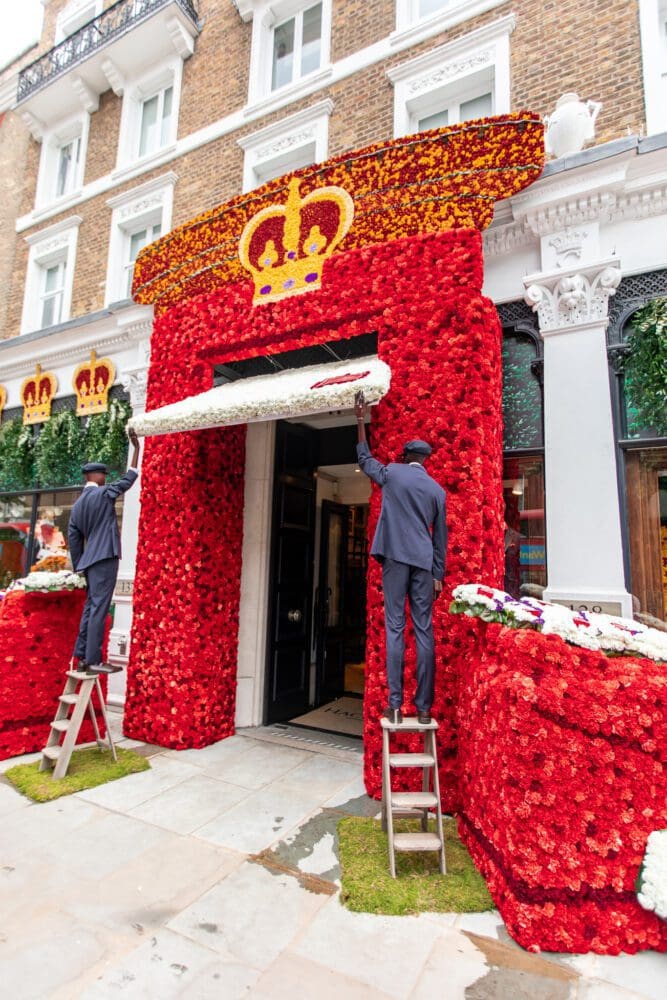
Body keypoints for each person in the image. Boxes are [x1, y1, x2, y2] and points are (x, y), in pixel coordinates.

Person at [355, 392, 447, 725]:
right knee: (424, 631)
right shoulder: (437, 491)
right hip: (424, 563)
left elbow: (364, 460)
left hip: (395, 558)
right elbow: (441, 539)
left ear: (406, 455)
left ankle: (394, 705)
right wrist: (438, 574)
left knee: (395, 627)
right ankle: (424, 709)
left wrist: (360, 421)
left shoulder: (392, 473)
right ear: (426, 461)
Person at [68, 428, 140, 675]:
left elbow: (74, 540)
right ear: (95, 475)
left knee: (91, 607)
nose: (105, 477)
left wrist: (80, 565)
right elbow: (128, 480)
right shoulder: (102, 493)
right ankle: (93, 660)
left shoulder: (77, 505)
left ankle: (81, 656)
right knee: (99, 607)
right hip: (105, 557)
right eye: (103, 474)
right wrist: (137, 451)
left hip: (89, 562)